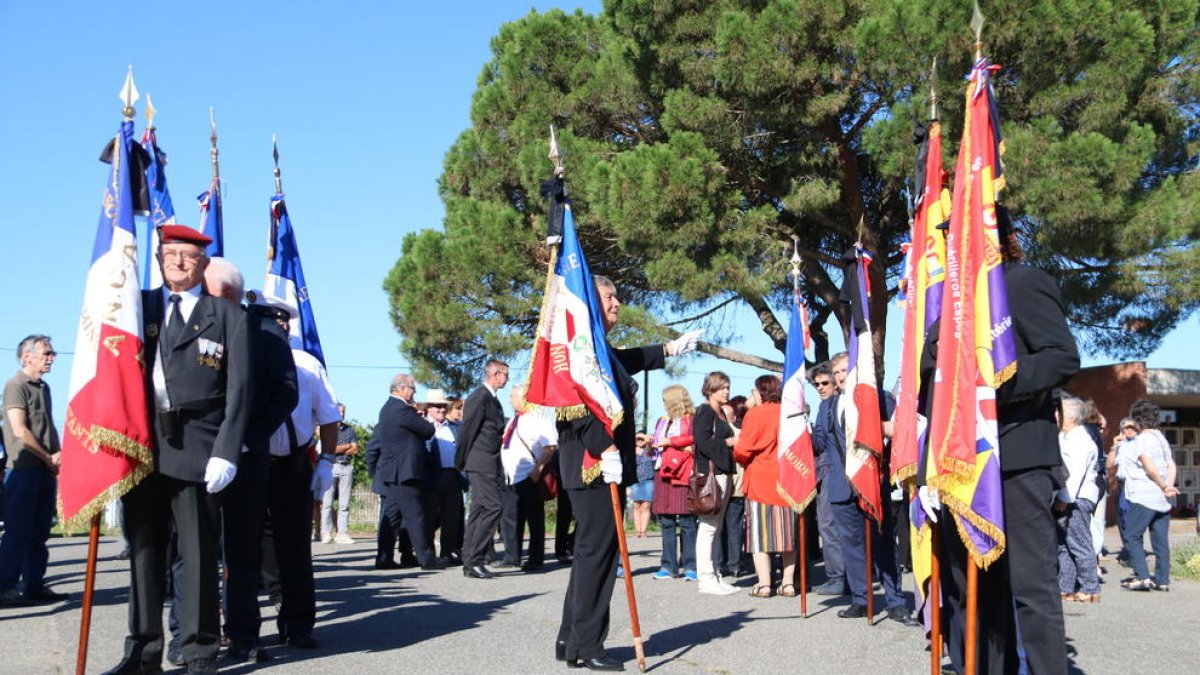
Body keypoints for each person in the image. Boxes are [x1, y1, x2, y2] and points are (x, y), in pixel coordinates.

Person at [922, 226, 1081, 675]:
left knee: (1031, 590)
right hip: (959, 469)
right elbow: (931, 388)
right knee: (973, 594)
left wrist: (993, 380)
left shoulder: (1020, 282)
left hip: (1016, 458)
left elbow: (1061, 358)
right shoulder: (947, 309)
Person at [105, 225, 249, 675]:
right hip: (143, 445)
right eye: (170, 254)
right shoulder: (136, 308)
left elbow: (240, 390)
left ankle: (200, 649)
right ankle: (143, 649)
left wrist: (227, 450)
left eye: (188, 256)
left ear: (203, 263)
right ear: (159, 259)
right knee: (145, 550)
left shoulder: (227, 317)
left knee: (199, 553)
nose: (179, 263)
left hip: (199, 447)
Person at [554, 276, 699, 671]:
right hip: (594, 464)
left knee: (590, 553)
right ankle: (588, 646)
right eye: (609, 296)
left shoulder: (596, 347)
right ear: (589, 302)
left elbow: (624, 360)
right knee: (599, 555)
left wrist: (669, 349)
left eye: (617, 295)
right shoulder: (579, 348)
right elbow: (580, 404)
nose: (618, 302)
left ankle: (571, 638)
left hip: (596, 464)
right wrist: (607, 448)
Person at [203, 259, 297, 664]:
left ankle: (243, 633)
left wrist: (247, 437)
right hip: (193, 456)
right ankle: (194, 635)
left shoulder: (265, 332)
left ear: (224, 291)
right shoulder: (190, 323)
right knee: (194, 551)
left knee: (241, 553)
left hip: (244, 458)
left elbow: (286, 393)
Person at [255, 288, 341, 651]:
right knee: (249, 547)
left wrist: (326, 461)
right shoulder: (244, 357)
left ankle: (298, 622)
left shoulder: (306, 363)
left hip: (293, 462)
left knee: (295, 548)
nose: (276, 325)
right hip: (252, 461)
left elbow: (329, 416)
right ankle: (242, 626)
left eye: (281, 320)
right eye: (266, 319)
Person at [815, 352, 914, 625]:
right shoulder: (826, 407)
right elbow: (819, 443)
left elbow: (899, 432)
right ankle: (861, 598)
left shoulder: (879, 398)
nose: (841, 376)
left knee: (883, 546)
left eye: (846, 369)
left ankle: (895, 602)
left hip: (872, 484)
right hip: (840, 487)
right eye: (836, 373)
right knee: (852, 547)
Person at [0, 334, 66, 607]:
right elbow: (20, 430)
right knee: (17, 531)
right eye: (46, 353)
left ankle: (34, 584)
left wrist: (58, 455)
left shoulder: (44, 387)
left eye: (52, 353)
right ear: (27, 356)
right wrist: (48, 457)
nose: (51, 358)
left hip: (43, 470)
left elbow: (47, 426)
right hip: (24, 468)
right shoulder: (16, 386)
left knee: (39, 531)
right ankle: (5, 587)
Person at [367, 374, 445, 572]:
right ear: (400, 388)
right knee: (415, 515)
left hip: (392, 473)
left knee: (391, 517)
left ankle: (383, 557)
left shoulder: (387, 409)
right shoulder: (402, 410)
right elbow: (428, 430)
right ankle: (426, 558)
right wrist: (418, 416)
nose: (414, 392)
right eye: (412, 388)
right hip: (405, 472)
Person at [734, 375, 798, 598]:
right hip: (788, 478)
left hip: (761, 478)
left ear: (760, 391)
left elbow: (742, 449)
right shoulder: (790, 412)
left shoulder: (755, 414)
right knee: (787, 536)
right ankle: (788, 583)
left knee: (760, 536)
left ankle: (764, 584)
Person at [1117, 399, 1178, 592]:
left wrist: (1161, 484)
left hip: (1144, 495)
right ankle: (1162, 580)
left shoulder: (1142, 439)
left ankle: (1143, 577)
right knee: (1160, 539)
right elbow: (1171, 464)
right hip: (1163, 499)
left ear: (1136, 420)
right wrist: (1168, 485)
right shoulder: (1161, 437)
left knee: (1132, 535)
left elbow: (1148, 465)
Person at [458, 359, 510, 579]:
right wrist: (460, 461)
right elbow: (467, 431)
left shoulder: (492, 399)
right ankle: (475, 558)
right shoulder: (479, 397)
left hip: (489, 462)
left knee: (479, 510)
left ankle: (470, 561)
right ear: (495, 374)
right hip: (480, 462)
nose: (507, 378)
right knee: (494, 507)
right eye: (505, 374)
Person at [499, 384, 557, 571]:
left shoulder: (538, 419)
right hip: (510, 476)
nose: (510, 400)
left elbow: (550, 447)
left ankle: (535, 558)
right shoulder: (514, 420)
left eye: (513, 396)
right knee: (510, 518)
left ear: (523, 397)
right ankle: (511, 556)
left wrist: (537, 469)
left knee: (534, 518)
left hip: (529, 475)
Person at [691, 371, 739, 596]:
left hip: (724, 471)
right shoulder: (704, 411)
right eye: (722, 387)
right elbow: (702, 442)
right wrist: (728, 441)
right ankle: (706, 578)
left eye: (727, 387)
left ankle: (715, 573)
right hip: (711, 473)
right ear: (710, 389)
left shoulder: (720, 413)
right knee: (708, 526)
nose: (726, 391)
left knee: (715, 526)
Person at [650, 385, 698, 582]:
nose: (663, 404)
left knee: (687, 522)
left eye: (665, 400)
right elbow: (659, 443)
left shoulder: (691, 420)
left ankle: (690, 565)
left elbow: (695, 442)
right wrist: (650, 441)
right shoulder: (662, 421)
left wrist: (672, 443)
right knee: (667, 522)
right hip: (663, 472)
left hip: (683, 473)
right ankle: (668, 566)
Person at [1055, 396, 1101, 603]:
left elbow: (1075, 472)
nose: (1056, 415)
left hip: (1077, 497)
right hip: (1073, 496)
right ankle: (1065, 587)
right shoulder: (1068, 437)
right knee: (1064, 545)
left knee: (1079, 543)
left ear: (1071, 417)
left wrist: (1064, 497)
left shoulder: (1078, 440)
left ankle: (1090, 588)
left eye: (1060, 412)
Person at [808, 360, 846, 596]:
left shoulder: (844, 403)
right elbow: (819, 442)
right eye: (817, 385)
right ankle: (837, 577)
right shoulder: (822, 408)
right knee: (827, 525)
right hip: (827, 472)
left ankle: (844, 577)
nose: (821, 388)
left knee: (838, 528)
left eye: (825, 383)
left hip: (845, 471)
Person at [425, 389, 464, 565]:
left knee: (451, 518)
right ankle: (429, 554)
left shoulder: (455, 428)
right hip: (432, 477)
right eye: (437, 407)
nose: (441, 410)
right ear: (429, 408)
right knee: (430, 517)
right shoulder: (423, 427)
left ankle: (447, 553)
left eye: (443, 406)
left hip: (452, 476)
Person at [315, 403, 357, 544]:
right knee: (327, 502)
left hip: (346, 466)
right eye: (340, 411)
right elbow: (330, 448)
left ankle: (342, 532)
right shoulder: (327, 429)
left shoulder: (349, 429)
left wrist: (340, 448)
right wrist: (346, 447)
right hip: (331, 466)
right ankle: (325, 532)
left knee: (344, 503)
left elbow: (355, 449)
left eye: (344, 411)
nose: (342, 414)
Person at [1107, 417, 1140, 563]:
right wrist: (1114, 446)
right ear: (1121, 431)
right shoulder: (1119, 445)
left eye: (1133, 427)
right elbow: (1109, 465)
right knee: (1123, 519)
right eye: (1127, 428)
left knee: (1134, 519)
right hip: (1122, 484)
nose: (1130, 430)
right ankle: (1128, 550)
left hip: (1137, 485)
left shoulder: (1141, 444)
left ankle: (1135, 553)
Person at [631, 433, 655, 539]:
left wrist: (645, 438)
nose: (640, 441)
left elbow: (650, 443)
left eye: (642, 439)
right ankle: (638, 530)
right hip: (635, 480)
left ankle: (643, 530)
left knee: (646, 506)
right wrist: (637, 436)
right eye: (638, 439)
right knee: (636, 505)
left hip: (648, 481)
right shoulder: (631, 451)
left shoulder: (649, 451)